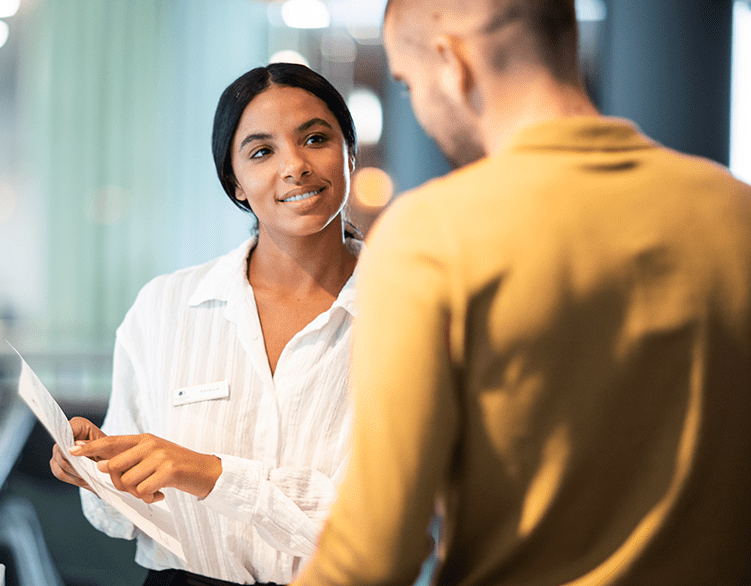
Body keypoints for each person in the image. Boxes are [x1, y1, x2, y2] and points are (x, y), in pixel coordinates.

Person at [294, 1, 751, 584]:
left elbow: (373, 555)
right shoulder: (737, 211)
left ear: (451, 62)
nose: (423, 110)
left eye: (408, 86)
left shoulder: (430, 236)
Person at [50, 62, 362, 586]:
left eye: (315, 138)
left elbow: (379, 523)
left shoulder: (408, 313)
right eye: (262, 152)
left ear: (349, 153)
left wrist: (209, 473)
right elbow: (125, 521)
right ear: (235, 183)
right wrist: (102, 472)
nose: (295, 166)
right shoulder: (165, 306)